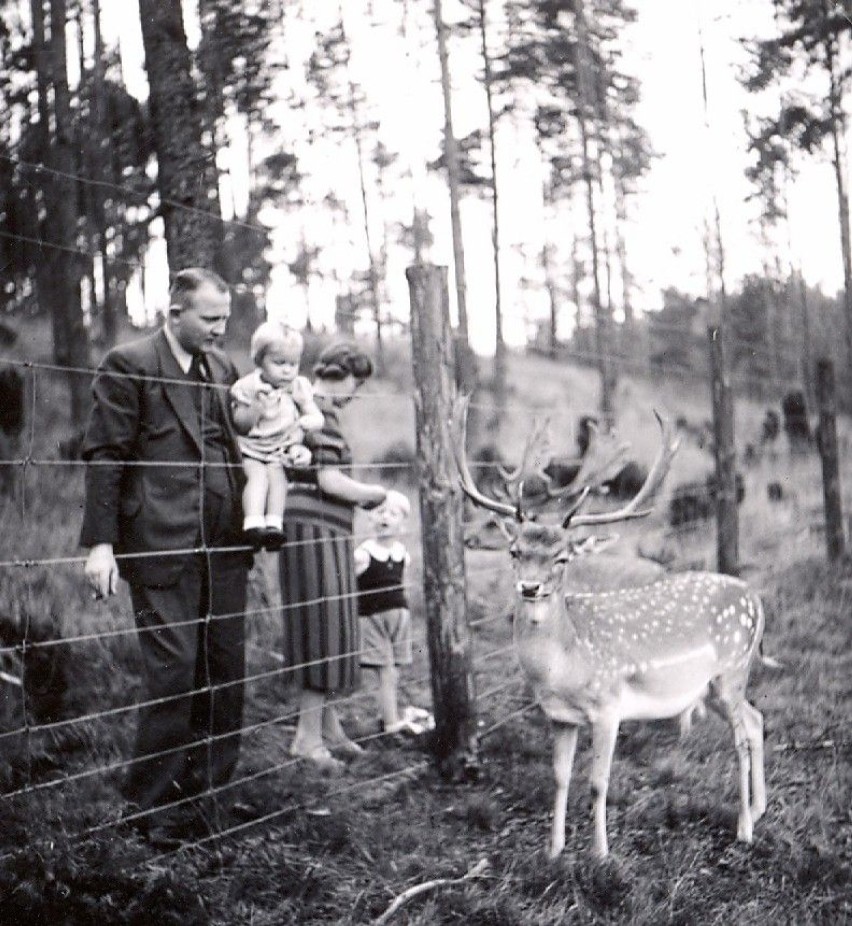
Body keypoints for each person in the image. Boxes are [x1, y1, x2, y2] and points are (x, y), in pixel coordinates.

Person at [80, 268, 253, 846]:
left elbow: (239, 444)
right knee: (174, 674)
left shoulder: (223, 368)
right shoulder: (129, 364)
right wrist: (101, 544)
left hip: (225, 544)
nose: (220, 329)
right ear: (174, 312)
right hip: (159, 545)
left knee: (225, 672)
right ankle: (146, 811)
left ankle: (204, 800)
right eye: (209, 318)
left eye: (225, 318)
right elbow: (105, 455)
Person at [278, 341, 387, 771]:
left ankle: (327, 727)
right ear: (341, 375)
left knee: (327, 625)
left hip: (325, 527)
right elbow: (328, 479)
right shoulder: (317, 408)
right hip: (314, 527)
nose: (354, 394)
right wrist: (373, 495)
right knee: (321, 627)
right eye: (355, 385)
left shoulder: (313, 403)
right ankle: (306, 738)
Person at [230, 322, 323, 550]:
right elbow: (240, 424)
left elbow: (316, 418)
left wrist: (303, 425)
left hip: (280, 448)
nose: (287, 371)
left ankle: (273, 525)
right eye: (279, 363)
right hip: (252, 448)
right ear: (259, 360)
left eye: (293, 364)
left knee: (278, 478)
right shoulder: (248, 387)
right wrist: (256, 408)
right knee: (257, 477)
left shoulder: (297, 387)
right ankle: (253, 524)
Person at [355, 490, 419, 735]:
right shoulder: (363, 554)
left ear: (402, 524)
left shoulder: (402, 553)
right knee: (384, 670)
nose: (385, 518)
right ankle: (391, 724)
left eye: (393, 514)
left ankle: (389, 714)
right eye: (380, 512)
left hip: (399, 617)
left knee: (394, 670)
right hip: (373, 617)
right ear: (370, 519)